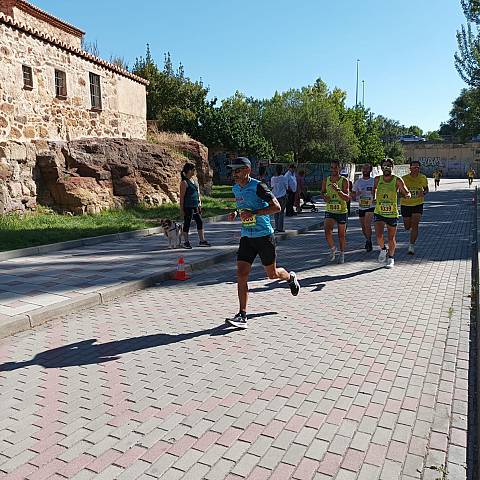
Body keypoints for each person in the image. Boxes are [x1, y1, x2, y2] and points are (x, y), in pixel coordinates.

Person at [226, 157, 300, 329]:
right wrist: (236, 213)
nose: (234, 174)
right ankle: (242, 314)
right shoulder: (236, 188)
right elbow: (242, 206)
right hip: (246, 236)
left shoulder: (259, 186)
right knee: (241, 273)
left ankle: (290, 277)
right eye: (233, 171)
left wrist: (254, 213)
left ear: (247, 171)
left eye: (237, 170)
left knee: (272, 274)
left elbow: (276, 207)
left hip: (264, 236)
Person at [373, 158, 411, 269]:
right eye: (384, 166)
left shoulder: (397, 180)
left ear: (392, 167)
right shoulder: (377, 179)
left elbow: (406, 191)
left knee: (391, 238)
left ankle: (391, 258)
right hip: (379, 211)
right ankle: (383, 250)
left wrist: (407, 195)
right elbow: (374, 189)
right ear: (381, 168)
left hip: (392, 213)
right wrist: (374, 197)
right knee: (379, 236)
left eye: (388, 166)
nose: (386, 168)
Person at [321, 160, 350, 264]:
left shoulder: (344, 180)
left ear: (339, 168)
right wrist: (325, 197)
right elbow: (322, 192)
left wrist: (338, 190)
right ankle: (333, 249)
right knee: (327, 232)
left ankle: (342, 254)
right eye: (332, 168)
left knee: (341, 235)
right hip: (330, 210)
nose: (333, 170)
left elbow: (347, 198)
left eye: (335, 168)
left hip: (341, 211)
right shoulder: (326, 180)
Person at [179, 162, 211, 249]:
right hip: (188, 206)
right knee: (187, 223)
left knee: (200, 221)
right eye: (193, 170)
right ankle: (186, 242)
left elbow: (198, 193)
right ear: (189, 171)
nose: (194, 171)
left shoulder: (195, 181)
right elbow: (181, 197)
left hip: (195, 205)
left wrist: (200, 204)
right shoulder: (184, 182)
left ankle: (202, 240)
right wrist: (181, 209)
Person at [401, 160, 429, 255]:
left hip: (418, 204)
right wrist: (404, 194)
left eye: (417, 167)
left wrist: (424, 193)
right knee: (407, 226)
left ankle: (411, 245)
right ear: (410, 168)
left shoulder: (423, 177)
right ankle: (409, 231)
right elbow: (399, 191)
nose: (416, 169)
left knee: (415, 225)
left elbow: (426, 189)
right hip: (405, 204)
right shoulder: (404, 178)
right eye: (414, 167)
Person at [352, 163, 375, 252]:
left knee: (367, 224)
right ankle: (368, 240)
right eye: (364, 169)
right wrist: (357, 194)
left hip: (371, 206)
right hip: (361, 206)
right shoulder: (358, 182)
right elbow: (353, 195)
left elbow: (377, 191)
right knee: (363, 227)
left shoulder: (373, 181)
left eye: (367, 169)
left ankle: (369, 242)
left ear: (370, 170)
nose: (365, 171)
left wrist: (375, 197)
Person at [270, 164, 288, 232]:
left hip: (274, 197)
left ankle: (276, 227)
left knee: (276, 212)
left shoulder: (272, 178)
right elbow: (286, 187)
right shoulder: (284, 178)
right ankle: (280, 228)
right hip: (282, 196)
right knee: (281, 212)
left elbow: (272, 187)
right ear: (282, 170)